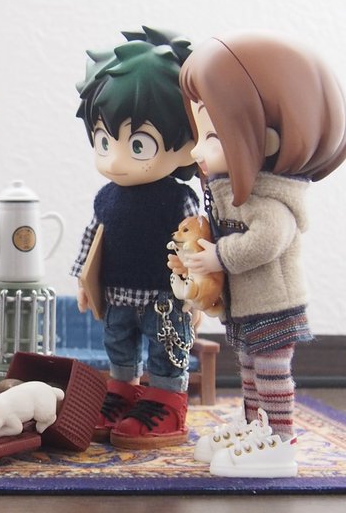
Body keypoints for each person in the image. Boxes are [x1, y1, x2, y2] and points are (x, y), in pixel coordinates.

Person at [178, 31, 346, 477]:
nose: (197, 150)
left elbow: (268, 240)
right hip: (250, 306)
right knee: (250, 370)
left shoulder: (269, 201)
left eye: (212, 136)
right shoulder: (234, 195)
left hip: (273, 306)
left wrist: (220, 257)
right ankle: (257, 426)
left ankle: (280, 440)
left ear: (265, 142)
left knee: (271, 373)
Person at [72, 27, 199, 449]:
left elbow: (194, 246)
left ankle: (167, 400)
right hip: (117, 296)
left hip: (165, 298)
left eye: (139, 144)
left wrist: (197, 294)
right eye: (103, 140)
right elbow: (93, 239)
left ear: (187, 144)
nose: (115, 159)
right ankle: (122, 392)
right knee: (118, 346)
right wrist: (84, 280)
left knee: (167, 349)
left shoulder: (178, 199)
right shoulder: (107, 197)